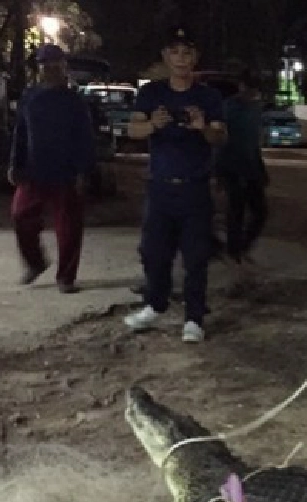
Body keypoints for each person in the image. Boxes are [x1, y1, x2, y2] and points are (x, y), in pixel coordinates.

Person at [123, 26, 227, 343]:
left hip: (194, 188)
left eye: (187, 52)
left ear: (195, 58)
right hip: (160, 187)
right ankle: (155, 304)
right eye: (175, 52)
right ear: (166, 57)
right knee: (154, 252)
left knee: (195, 257)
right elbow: (132, 131)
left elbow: (220, 136)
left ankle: (194, 318)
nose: (181, 58)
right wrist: (153, 124)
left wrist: (202, 127)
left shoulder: (208, 96)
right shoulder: (152, 93)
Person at [8, 43, 95, 294]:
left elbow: (85, 138)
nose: (50, 69)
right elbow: (20, 134)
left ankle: (66, 277)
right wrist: (15, 164)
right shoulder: (30, 97)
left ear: (64, 65)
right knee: (20, 215)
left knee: (68, 228)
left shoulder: (74, 101)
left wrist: (83, 171)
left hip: (66, 174)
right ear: (40, 67)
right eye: (45, 64)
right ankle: (35, 263)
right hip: (34, 171)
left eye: (55, 63)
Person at [216, 68, 269, 268]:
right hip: (232, 166)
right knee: (236, 211)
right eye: (250, 89)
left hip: (251, 167)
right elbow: (221, 142)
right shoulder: (228, 108)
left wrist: (260, 169)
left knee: (260, 211)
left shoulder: (255, 110)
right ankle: (233, 251)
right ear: (242, 87)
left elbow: (253, 143)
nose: (254, 95)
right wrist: (220, 170)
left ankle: (241, 247)